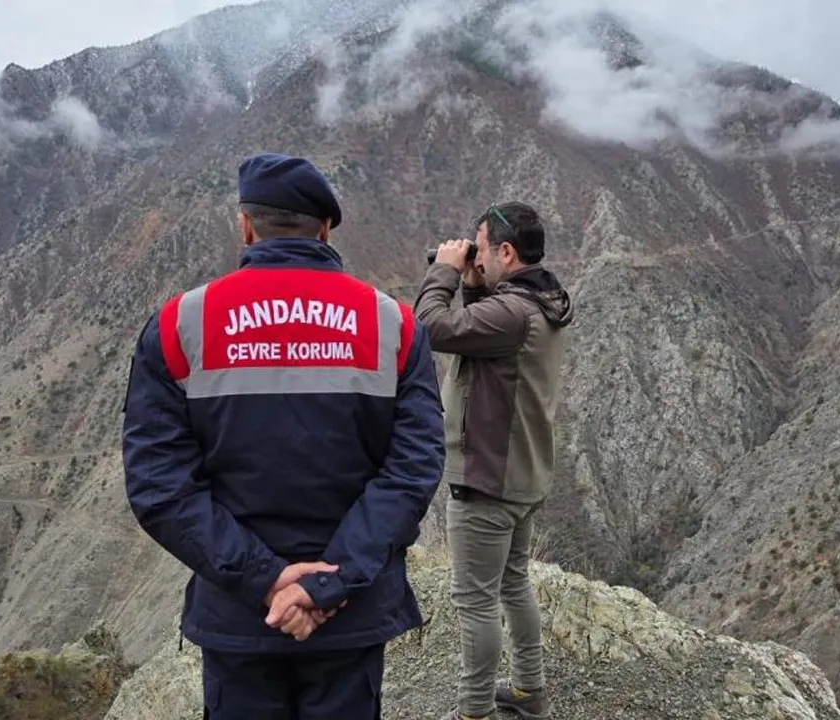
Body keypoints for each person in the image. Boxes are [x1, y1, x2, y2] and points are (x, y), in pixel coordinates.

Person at [121, 152, 446, 720]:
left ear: (245, 226)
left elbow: (159, 486)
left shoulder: (179, 325)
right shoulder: (394, 326)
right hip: (351, 612)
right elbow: (413, 470)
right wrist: (329, 582)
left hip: (240, 617)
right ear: (325, 229)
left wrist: (268, 581)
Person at [413, 201, 574, 720]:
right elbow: (482, 329)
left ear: (506, 251)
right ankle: (529, 691)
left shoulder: (512, 313)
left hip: (488, 479)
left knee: (476, 603)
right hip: (523, 473)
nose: (474, 253)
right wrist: (473, 277)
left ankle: (473, 711)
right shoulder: (535, 302)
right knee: (512, 583)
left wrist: (443, 271)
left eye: (481, 246)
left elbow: (431, 328)